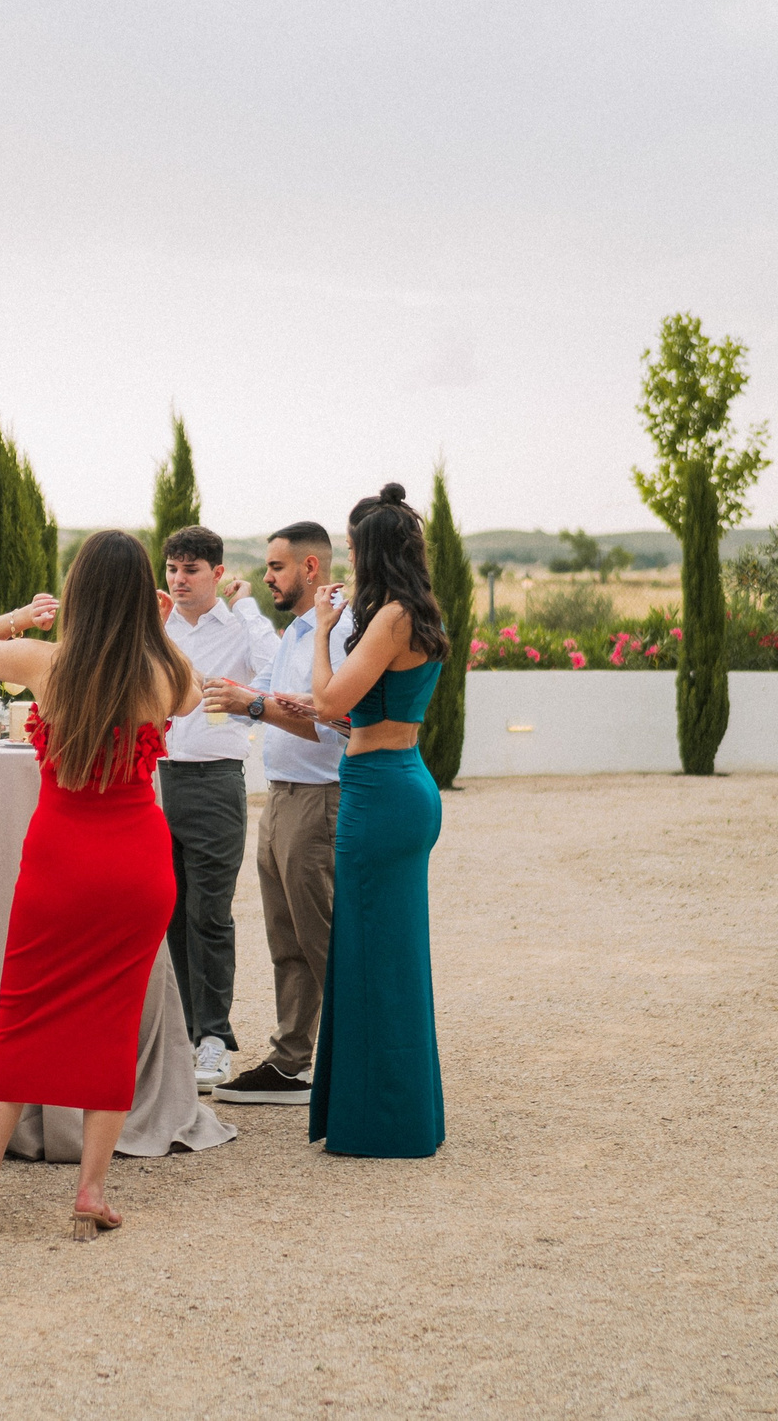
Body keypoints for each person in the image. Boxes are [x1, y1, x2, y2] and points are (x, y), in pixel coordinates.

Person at [0, 529, 201, 1239]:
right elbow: (194, 695)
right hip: (137, 867)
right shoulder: (160, 673)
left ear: (78, 593)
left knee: (20, 1013)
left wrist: (26, 614)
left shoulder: (44, 662)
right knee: (114, 1021)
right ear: (143, 600)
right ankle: (89, 1194)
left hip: (60, 862)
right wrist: (163, 624)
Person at [304, 483, 447, 1157]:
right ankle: (398, 1110)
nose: (348, 557)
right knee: (387, 954)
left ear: (373, 551)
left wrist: (322, 631)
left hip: (381, 792)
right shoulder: (417, 610)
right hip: (401, 780)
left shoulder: (389, 616)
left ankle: (383, 1121)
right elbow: (357, 708)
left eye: (354, 546)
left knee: (374, 955)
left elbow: (329, 694)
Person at [201, 521, 354, 1105]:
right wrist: (203, 686)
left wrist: (256, 704)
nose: (265, 577)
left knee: (326, 941)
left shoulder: (339, 631)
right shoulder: (296, 631)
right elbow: (252, 699)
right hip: (282, 796)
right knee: (287, 939)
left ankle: (355, 1060)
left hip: (321, 799)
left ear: (310, 568)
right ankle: (292, 1063)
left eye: (276, 567)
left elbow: (333, 721)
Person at [154, 525, 279, 1090]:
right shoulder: (156, 627)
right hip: (153, 781)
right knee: (168, 912)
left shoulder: (241, 627)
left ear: (217, 573)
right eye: (173, 569)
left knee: (210, 912)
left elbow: (274, 671)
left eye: (191, 570)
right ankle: (180, 1032)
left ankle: (214, 1038)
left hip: (214, 781)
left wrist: (247, 606)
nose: (179, 580)